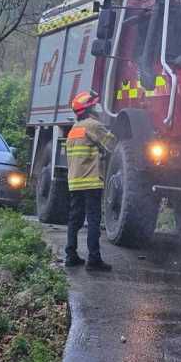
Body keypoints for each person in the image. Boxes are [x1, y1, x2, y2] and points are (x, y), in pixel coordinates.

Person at [65, 90, 116, 271]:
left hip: (75, 182)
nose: (97, 109)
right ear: (89, 109)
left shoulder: (73, 130)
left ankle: (70, 255)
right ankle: (94, 259)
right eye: (94, 106)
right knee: (93, 220)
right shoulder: (93, 125)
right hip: (91, 181)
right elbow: (112, 144)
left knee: (74, 219)